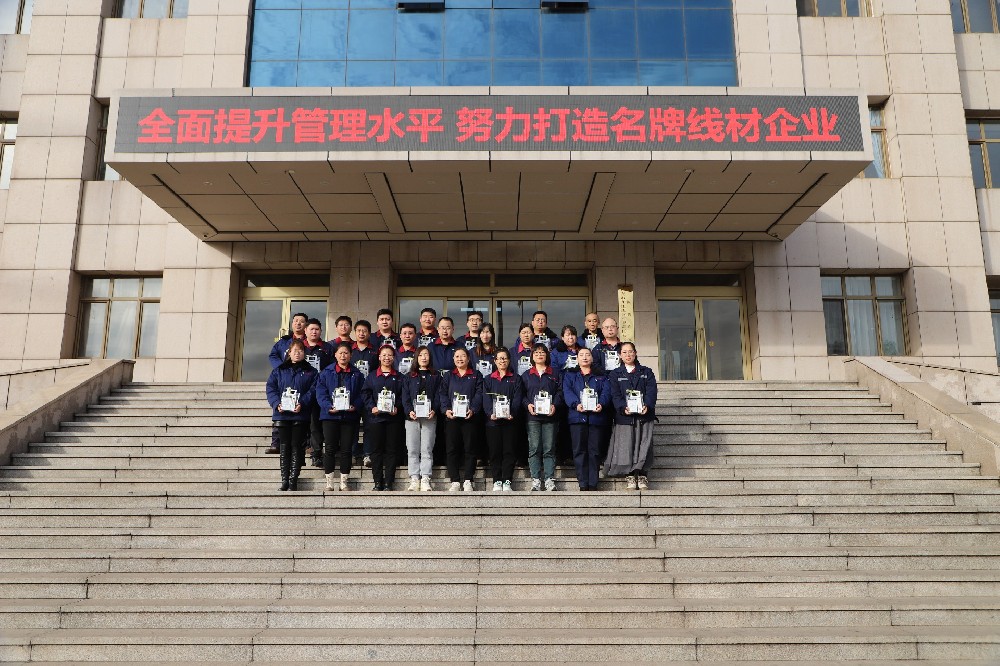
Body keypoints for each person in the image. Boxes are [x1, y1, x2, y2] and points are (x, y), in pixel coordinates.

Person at [265, 339, 317, 491]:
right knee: (284, 446)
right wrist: (277, 403)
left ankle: (293, 479)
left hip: (300, 414)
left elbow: (313, 390)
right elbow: (271, 388)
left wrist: (303, 403)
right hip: (282, 415)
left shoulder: (311, 371)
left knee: (297, 446)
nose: (297, 353)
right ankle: (284, 480)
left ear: (304, 353)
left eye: (300, 350)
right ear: (289, 353)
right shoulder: (279, 370)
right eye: (294, 350)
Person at [607, 342, 658, 490]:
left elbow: (652, 392)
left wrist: (647, 405)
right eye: (624, 352)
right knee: (626, 446)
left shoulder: (646, 372)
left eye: (630, 351)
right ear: (620, 355)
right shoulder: (615, 374)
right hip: (625, 417)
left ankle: (642, 475)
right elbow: (615, 395)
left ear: (635, 353)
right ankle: (629, 475)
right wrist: (623, 408)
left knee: (644, 445)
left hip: (644, 416)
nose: (628, 355)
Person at [315, 342, 365, 491]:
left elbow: (362, 393)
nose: (343, 356)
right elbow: (320, 392)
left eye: (346, 353)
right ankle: (329, 482)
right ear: (335, 355)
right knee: (330, 448)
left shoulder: (357, 374)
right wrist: (327, 406)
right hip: (330, 416)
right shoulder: (326, 372)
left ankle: (344, 481)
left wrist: (355, 406)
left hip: (349, 417)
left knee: (346, 449)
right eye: (340, 353)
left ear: (351, 355)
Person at [562, 348, 612, 491]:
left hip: (596, 418)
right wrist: (575, 404)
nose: (584, 357)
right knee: (579, 451)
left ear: (592, 358)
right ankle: (583, 483)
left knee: (594, 451)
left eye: (587, 355)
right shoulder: (570, 375)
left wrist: (601, 404)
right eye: (581, 355)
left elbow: (606, 392)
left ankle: (593, 482)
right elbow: (567, 392)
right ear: (577, 358)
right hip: (577, 418)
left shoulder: (601, 376)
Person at [361, 346, 405, 491]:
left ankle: (388, 483)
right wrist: (372, 407)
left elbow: (404, 395)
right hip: (376, 419)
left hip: (393, 419)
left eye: (390, 355)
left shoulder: (400, 377)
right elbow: (365, 394)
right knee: (376, 451)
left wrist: (397, 407)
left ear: (394, 358)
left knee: (392, 450)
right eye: (384, 355)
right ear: (379, 357)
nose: (387, 357)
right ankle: (377, 482)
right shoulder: (372, 376)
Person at [438, 347, 482, 491]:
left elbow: (479, 393)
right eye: (457, 356)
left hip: (470, 418)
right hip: (453, 418)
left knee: (470, 448)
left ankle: (468, 479)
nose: (460, 359)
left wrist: (473, 409)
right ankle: (455, 480)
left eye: (463, 356)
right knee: (452, 449)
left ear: (468, 359)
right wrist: (446, 409)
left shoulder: (476, 375)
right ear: (453, 359)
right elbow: (442, 394)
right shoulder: (449, 375)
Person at [522, 343, 563, 491]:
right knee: (534, 448)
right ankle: (536, 479)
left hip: (550, 417)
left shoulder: (555, 373)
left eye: (542, 352)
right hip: (533, 417)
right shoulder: (526, 375)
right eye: (536, 353)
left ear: (547, 355)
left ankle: (549, 479)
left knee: (549, 448)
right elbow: (522, 395)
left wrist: (555, 405)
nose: (539, 355)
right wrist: (528, 405)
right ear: (532, 356)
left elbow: (560, 392)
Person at [265, 312, 308, 455]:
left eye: (301, 321)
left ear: (306, 325)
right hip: (284, 381)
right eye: (296, 321)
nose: (298, 323)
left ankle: (306, 444)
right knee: (280, 411)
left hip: (303, 379)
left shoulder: (309, 341)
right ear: (292, 324)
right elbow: (273, 355)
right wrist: (282, 368)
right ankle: (276, 443)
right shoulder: (284, 342)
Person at [482, 348, 522, 492]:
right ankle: (497, 480)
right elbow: (486, 399)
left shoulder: (516, 378)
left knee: (509, 451)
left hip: (510, 422)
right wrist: (490, 413)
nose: (502, 361)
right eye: (499, 358)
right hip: (493, 422)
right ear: (495, 361)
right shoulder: (488, 379)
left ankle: (507, 480)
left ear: (509, 360)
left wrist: (513, 412)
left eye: (504, 358)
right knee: (495, 452)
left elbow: (517, 398)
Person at [402, 346, 441, 491]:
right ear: (416, 358)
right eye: (421, 355)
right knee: (412, 448)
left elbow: (439, 395)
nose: (424, 357)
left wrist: (434, 409)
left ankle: (425, 477)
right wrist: (409, 411)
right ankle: (414, 478)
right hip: (412, 417)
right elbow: (405, 396)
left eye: (426, 355)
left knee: (426, 448)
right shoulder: (409, 376)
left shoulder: (436, 376)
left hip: (429, 417)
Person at [303, 318, 334, 467]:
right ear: (305, 331)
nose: (314, 332)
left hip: (320, 390)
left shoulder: (327, 348)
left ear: (321, 331)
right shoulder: (299, 347)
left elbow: (332, 368)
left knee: (315, 423)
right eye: (311, 329)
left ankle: (317, 453)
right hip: (303, 390)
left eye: (317, 329)